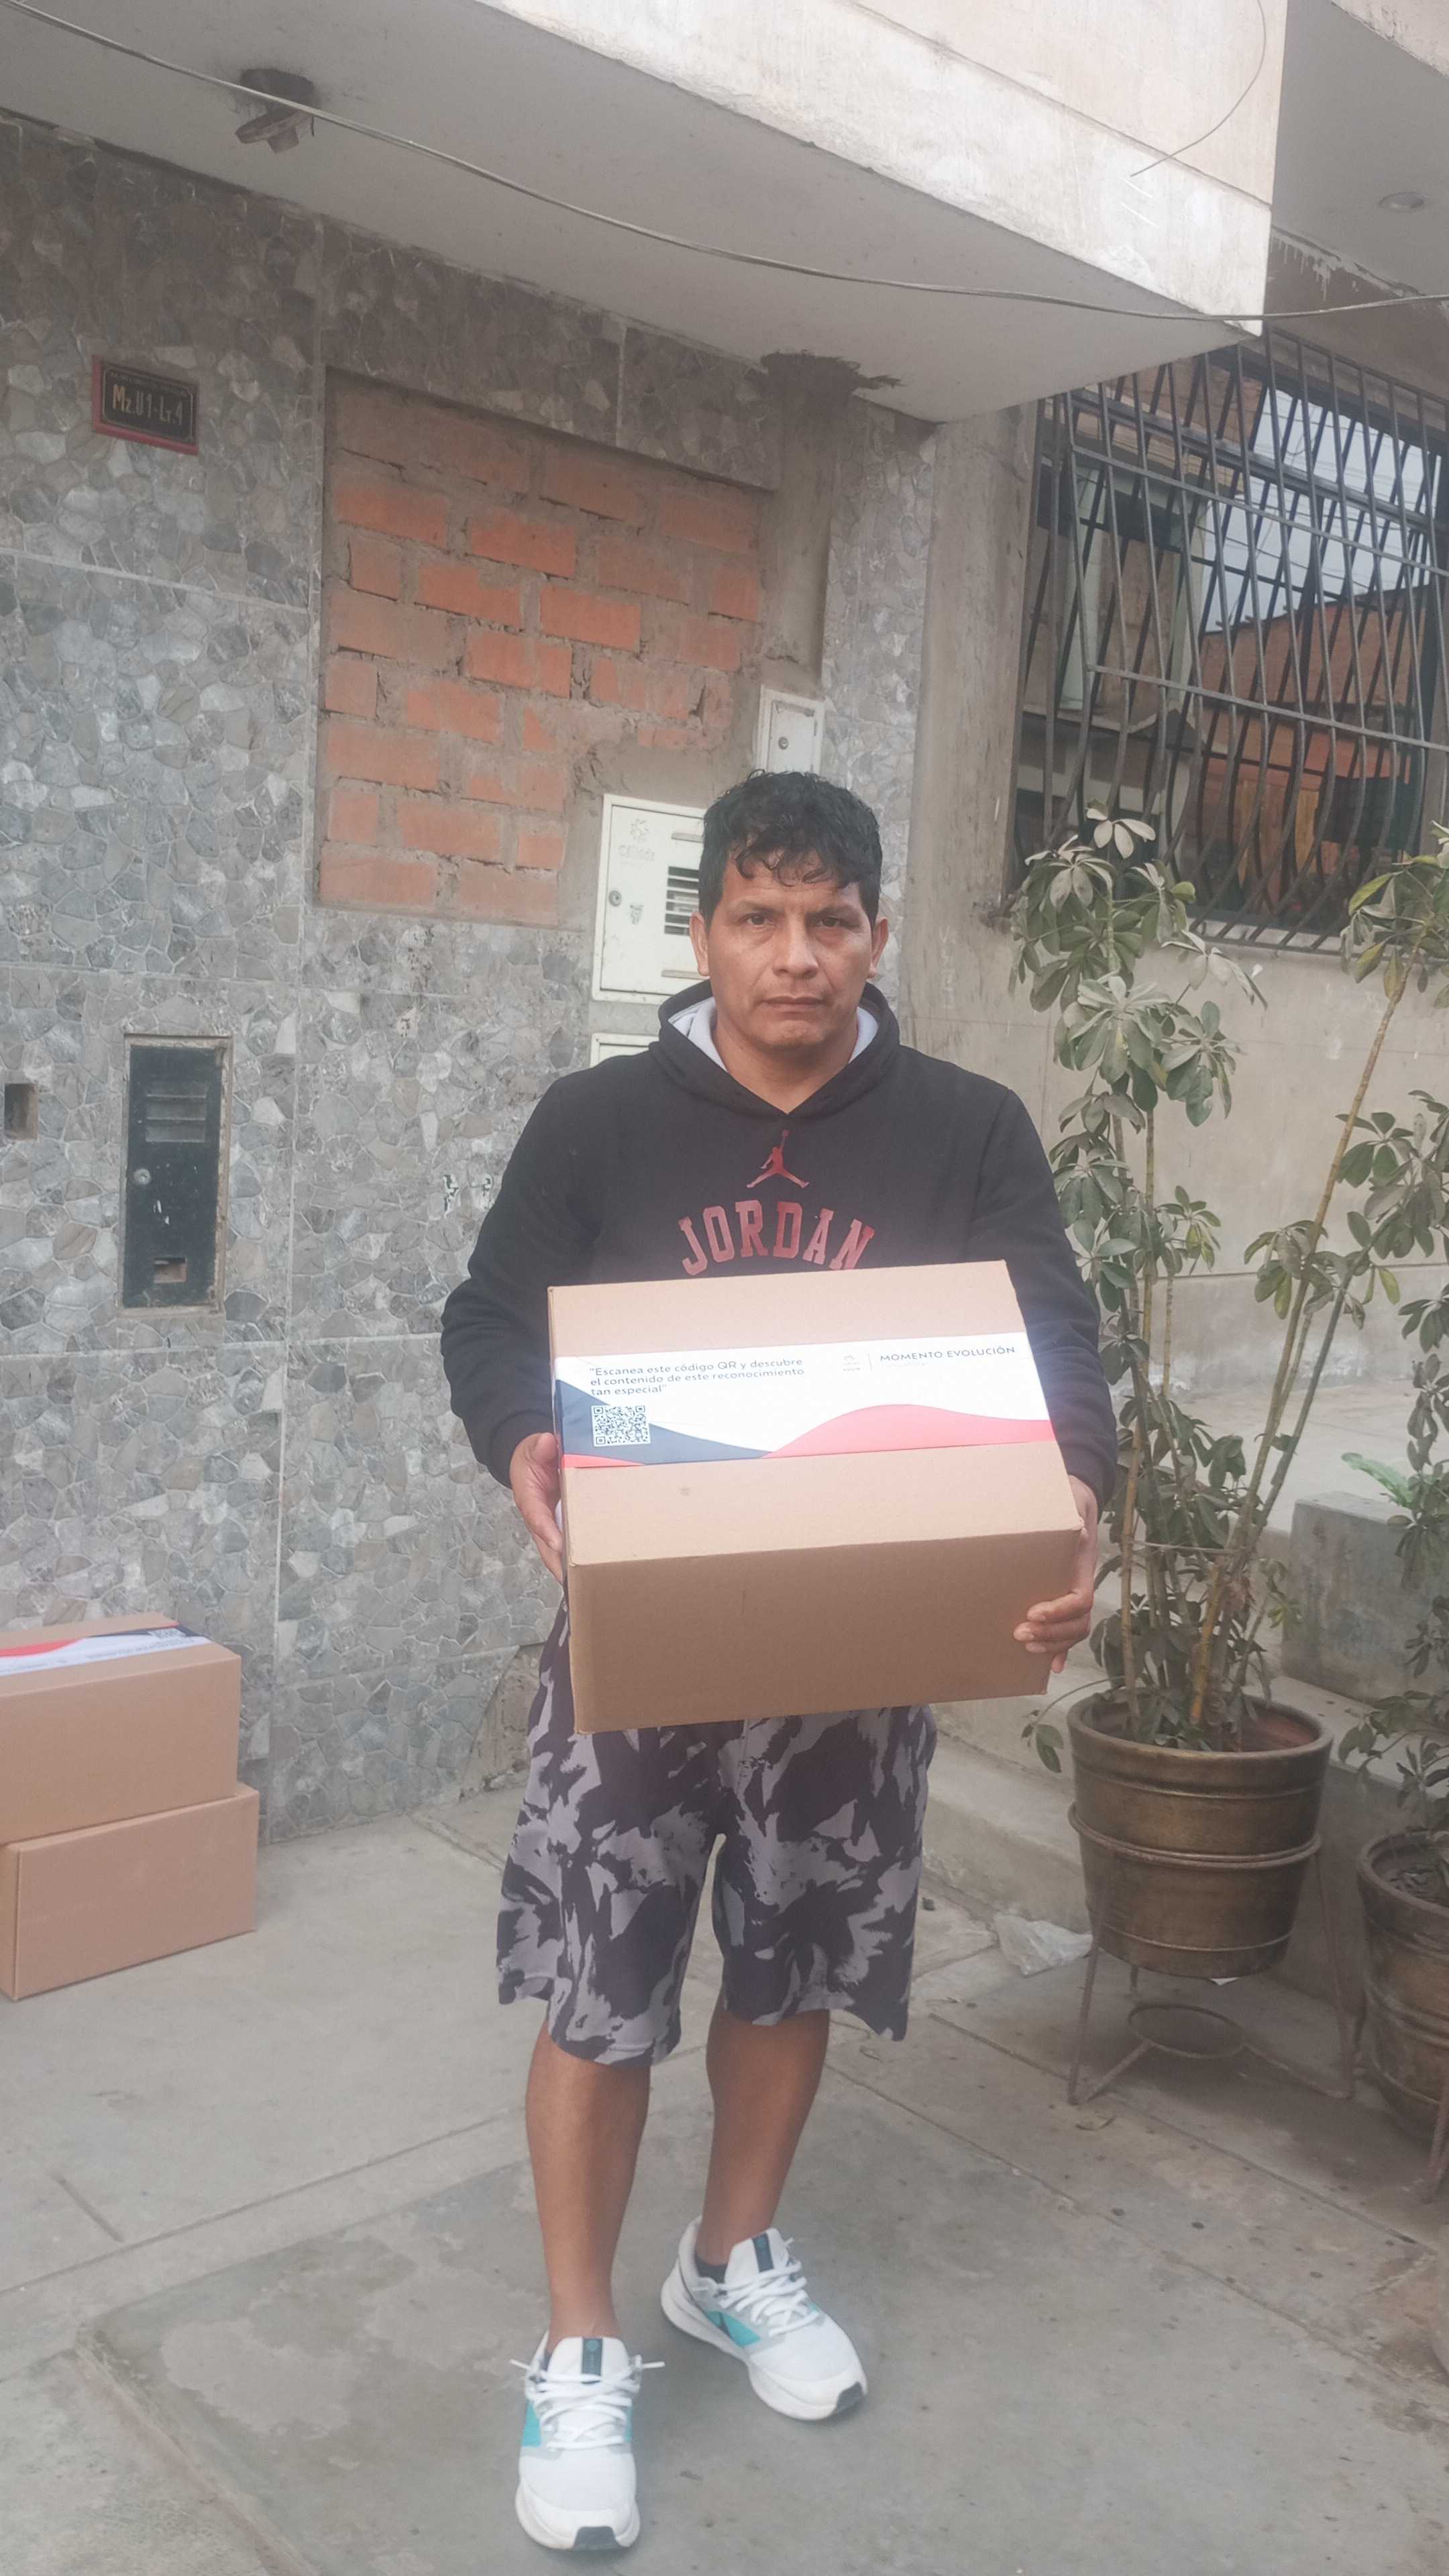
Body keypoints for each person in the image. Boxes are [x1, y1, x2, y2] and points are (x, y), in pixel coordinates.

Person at [441, 770, 1114, 2554]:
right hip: (642, 1638)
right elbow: (491, 1315)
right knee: (603, 1981)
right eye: (759, 919)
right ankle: (580, 2342)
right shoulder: (599, 1122)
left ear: (877, 935)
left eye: (829, 921)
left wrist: (1073, 1503)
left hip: (858, 1645)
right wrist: (520, 1436)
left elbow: (1054, 1339)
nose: (795, 956)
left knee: (795, 1958)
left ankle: (728, 2257)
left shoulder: (965, 1129)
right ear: (704, 933)